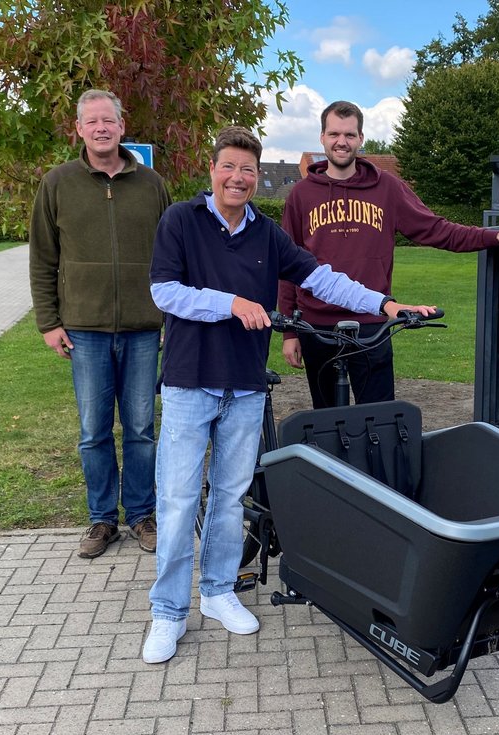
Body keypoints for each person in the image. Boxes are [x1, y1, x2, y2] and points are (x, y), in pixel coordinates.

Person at [142, 125, 436, 664]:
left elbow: (323, 279)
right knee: (179, 500)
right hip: (189, 381)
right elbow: (165, 291)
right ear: (213, 170)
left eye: (248, 170)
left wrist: (386, 305)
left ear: (258, 176)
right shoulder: (181, 220)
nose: (238, 177)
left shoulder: (268, 234)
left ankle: (218, 592)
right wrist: (230, 303)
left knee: (230, 497)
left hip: (245, 384)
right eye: (229, 166)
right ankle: (168, 611)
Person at [279, 100, 499, 408]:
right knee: (326, 419)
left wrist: (494, 237)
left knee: (379, 417)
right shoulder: (301, 195)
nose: (341, 141)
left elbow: (437, 229)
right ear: (322, 137)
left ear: (360, 138)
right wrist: (290, 332)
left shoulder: (387, 188)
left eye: (349, 134)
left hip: (373, 322)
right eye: (334, 134)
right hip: (317, 326)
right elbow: (288, 266)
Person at [28, 89, 170, 560]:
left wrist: (169, 317)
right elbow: (42, 258)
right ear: (79, 129)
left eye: (108, 120)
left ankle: (142, 515)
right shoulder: (57, 184)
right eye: (92, 122)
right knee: (93, 431)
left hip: (143, 328)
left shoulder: (151, 184)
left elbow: (172, 257)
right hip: (83, 330)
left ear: (122, 126)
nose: (101, 128)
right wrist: (49, 322)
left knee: (141, 428)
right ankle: (102, 519)